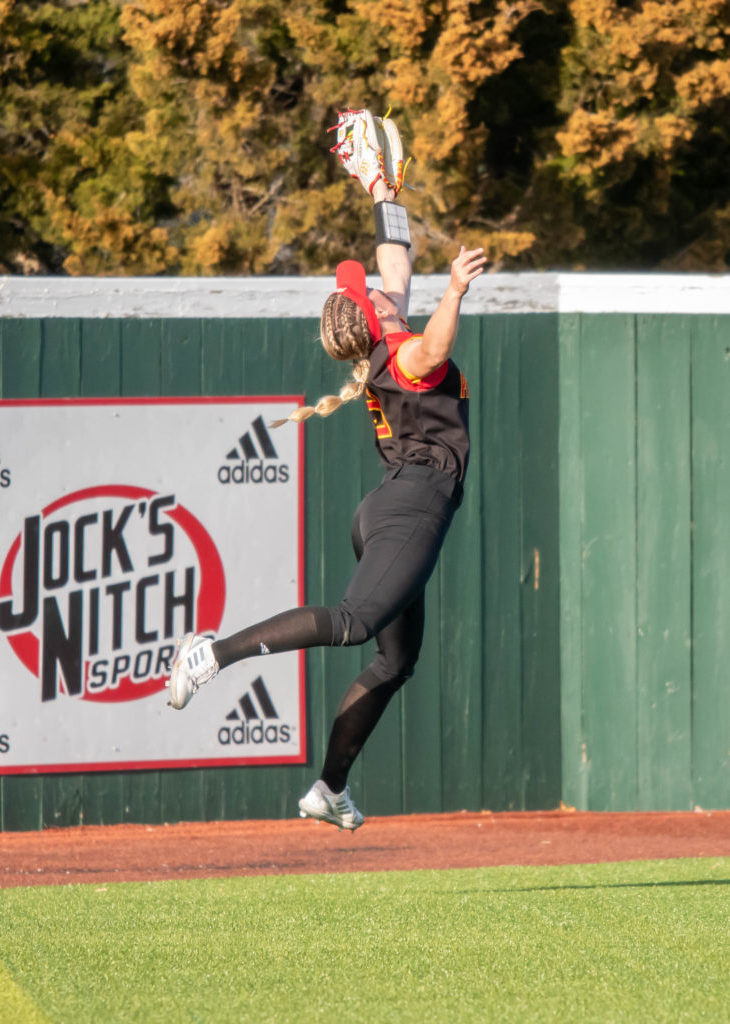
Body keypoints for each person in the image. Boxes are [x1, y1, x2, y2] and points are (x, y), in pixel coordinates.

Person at [167, 111, 486, 831]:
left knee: (392, 662)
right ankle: (210, 655)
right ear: (373, 318)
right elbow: (432, 352)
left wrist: (380, 187)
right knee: (351, 624)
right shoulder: (403, 353)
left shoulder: (383, 335)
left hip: (386, 509)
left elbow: (395, 256)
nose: (372, 283)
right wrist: (458, 291)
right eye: (364, 290)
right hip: (409, 510)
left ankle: (328, 789)